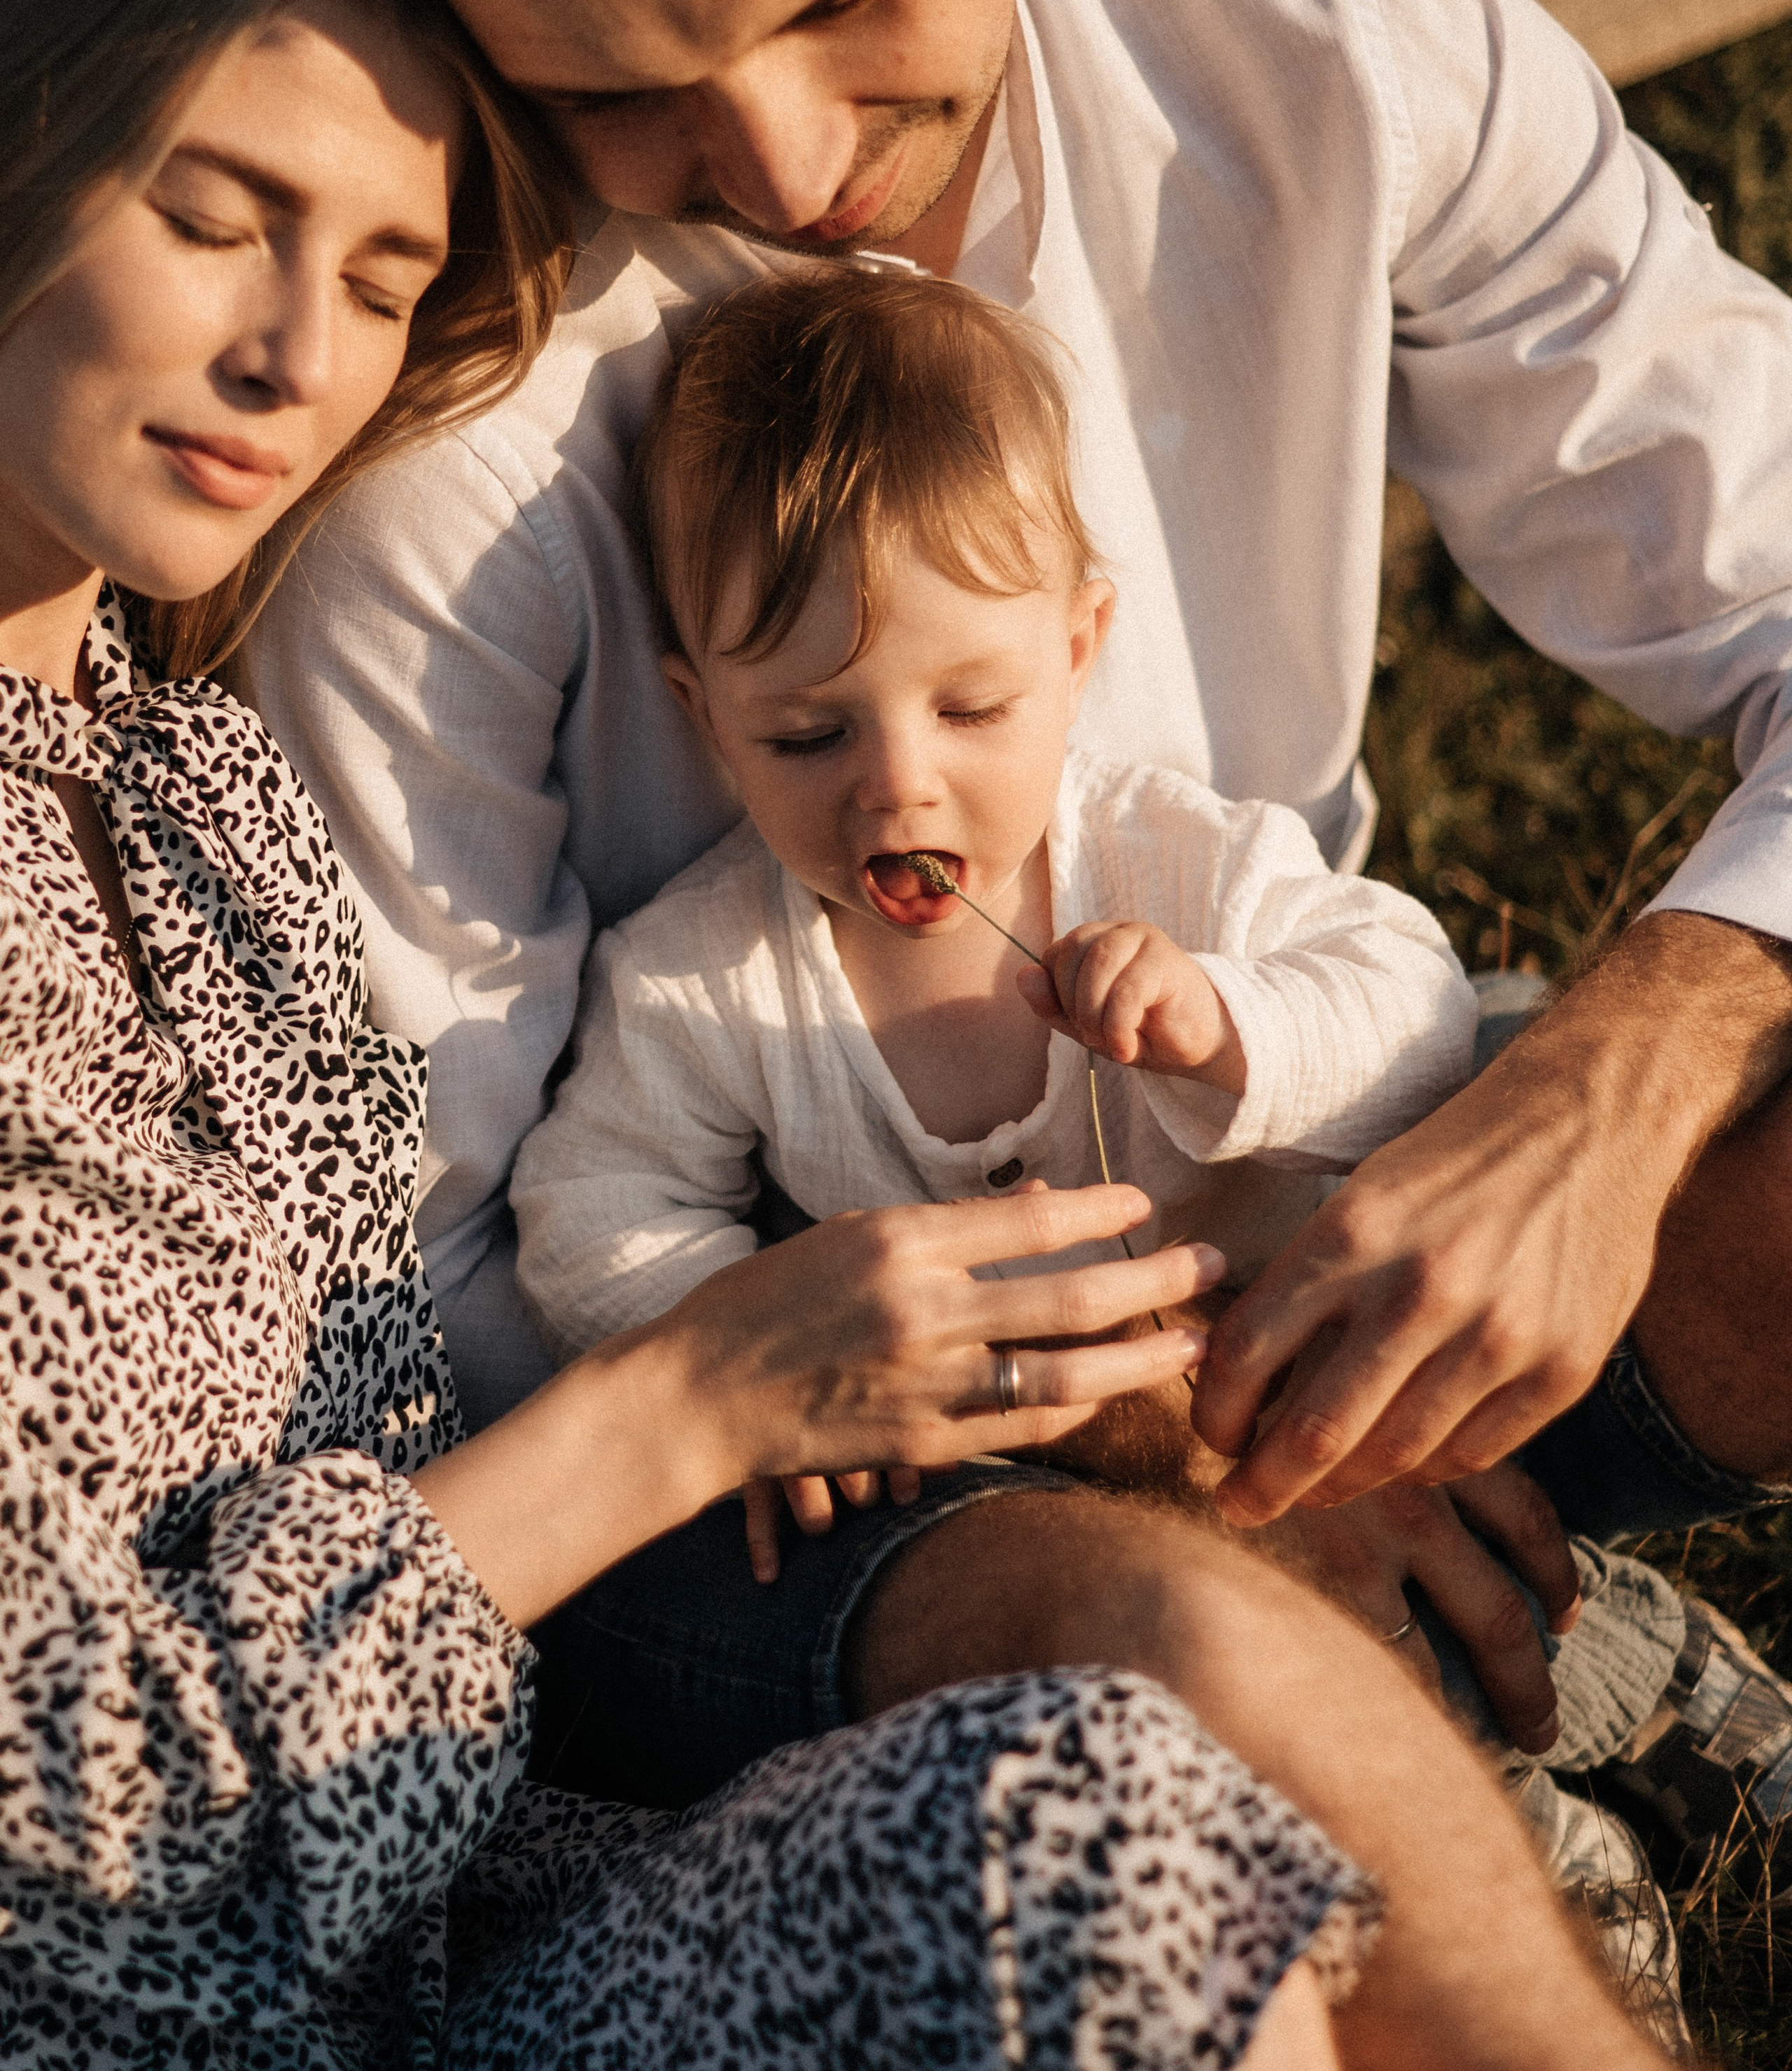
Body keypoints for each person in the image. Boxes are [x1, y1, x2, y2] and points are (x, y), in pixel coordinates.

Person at [0, 7, 1578, 2071]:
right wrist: (696, 1399)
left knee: (1086, 1804)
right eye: (212, 212)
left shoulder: (204, 800)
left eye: (382, 273)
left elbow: (389, 1491)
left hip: (398, 2005)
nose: (299, 351)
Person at [511, 268, 1476, 1586]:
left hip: (1302, 1343)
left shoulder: (1168, 857)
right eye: (807, 734)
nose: (898, 784)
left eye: (971, 711)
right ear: (707, 717)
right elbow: (587, 1210)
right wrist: (759, 1370)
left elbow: (1423, 1017)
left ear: (1077, 653)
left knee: (1471, 1456)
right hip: (1018, 1487)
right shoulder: (708, 979)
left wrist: (1226, 1024)